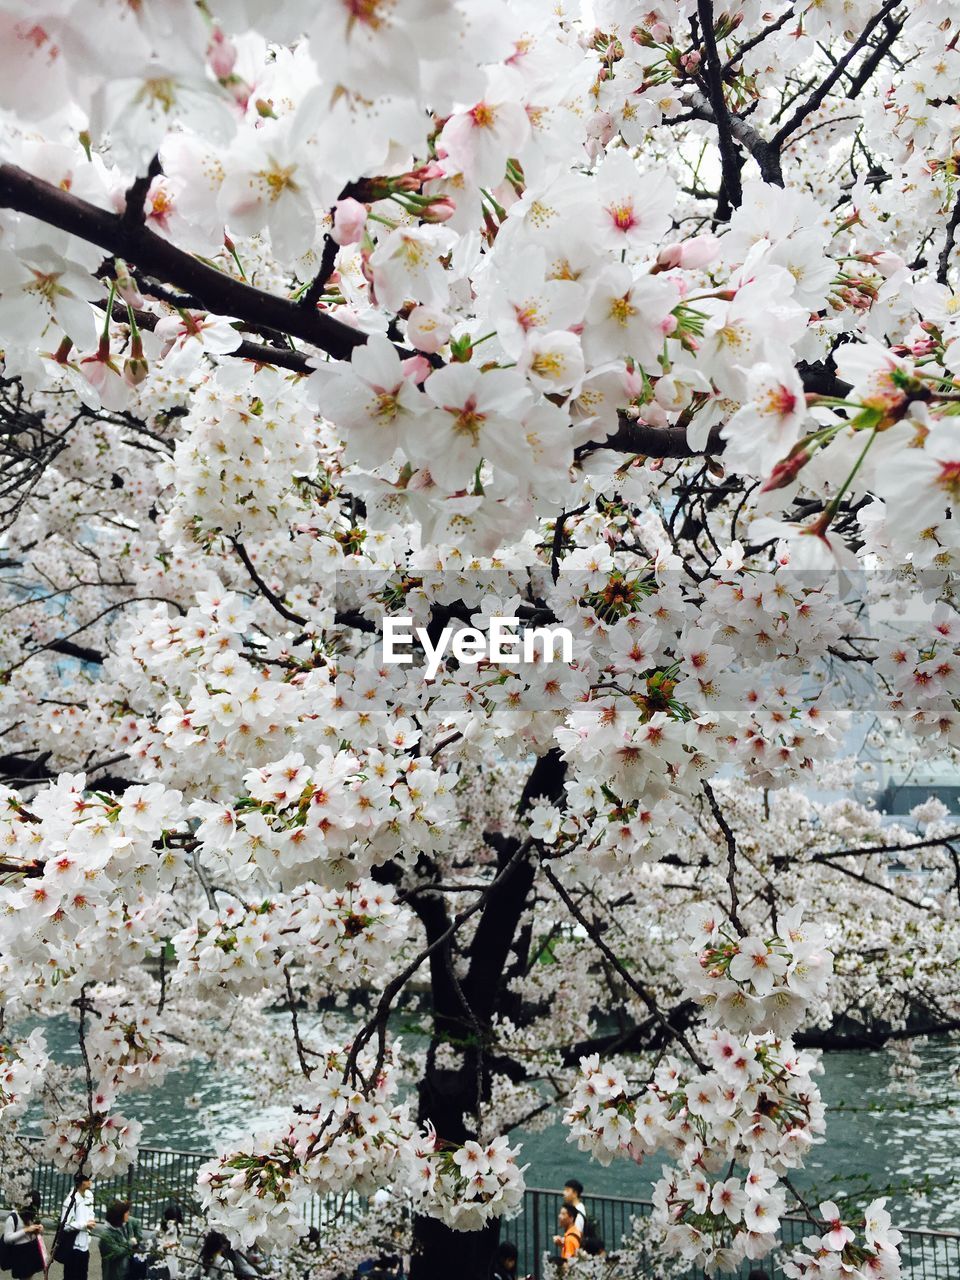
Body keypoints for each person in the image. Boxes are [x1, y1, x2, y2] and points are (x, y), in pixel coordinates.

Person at [59, 1173, 97, 1280]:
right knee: (71, 1276)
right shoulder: (70, 1200)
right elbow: (65, 1225)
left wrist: (91, 1220)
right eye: (88, 1180)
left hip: (85, 1244)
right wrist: (85, 1224)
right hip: (73, 1246)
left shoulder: (89, 1195)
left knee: (83, 1275)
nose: (90, 1182)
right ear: (81, 1183)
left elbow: (90, 1212)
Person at [3, 1200, 46, 1280]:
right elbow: (7, 1239)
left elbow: (38, 1234)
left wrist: (40, 1230)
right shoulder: (13, 1217)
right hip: (20, 1253)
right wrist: (26, 1230)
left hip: (31, 1249)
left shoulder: (31, 1216)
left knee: (29, 1277)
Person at [99, 1201, 141, 1280]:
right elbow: (117, 1253)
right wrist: (130, 1243)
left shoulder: (122, 1226)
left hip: (125, 1272)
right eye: (126, 1212)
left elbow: (136, 1222)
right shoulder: (106, 1236)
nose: (128, 1214)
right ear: (119, 1216)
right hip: (114, 1275)